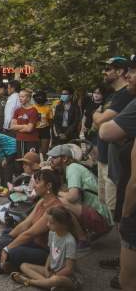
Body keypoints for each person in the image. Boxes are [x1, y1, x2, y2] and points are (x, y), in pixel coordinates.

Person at [99, 55, 136, 290]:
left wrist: (127, 210)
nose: (128, 76)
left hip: (130, 189)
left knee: (127, 280)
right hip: (115, 166)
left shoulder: (128, 99)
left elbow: (104, 128)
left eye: (133, 71)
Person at [0, 169, 63, 273]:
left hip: (47, 252)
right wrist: (7, 239)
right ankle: (11, 263)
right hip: (34, 243)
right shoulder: (42, 201)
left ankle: (15, 265)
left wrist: (7, 248)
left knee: (14, 252)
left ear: (49, 186)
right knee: (7, 234)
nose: (34, 186)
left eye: (37, 183)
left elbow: (31, 233)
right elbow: (26, 223)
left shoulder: (55, 207)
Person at [48, 144, 113, 240]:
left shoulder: (73, 168)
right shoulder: (71, 169)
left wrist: (56, 192)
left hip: (102, 217)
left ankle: (82, 239)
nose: (51, 161)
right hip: (100, 214)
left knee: (59, 202)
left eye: (54, 157)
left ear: (65, 158)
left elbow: (73, 196)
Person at [11, 206, 81, 290]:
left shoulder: (69, 241)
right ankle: (48, 285)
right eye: (48, 221)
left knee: (55, 280)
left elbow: (69, 269)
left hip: (68, 278)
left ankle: (29, 281)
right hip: (52, 272)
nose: (47, 224)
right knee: (24, 266)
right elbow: (51, 254)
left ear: (62, 224)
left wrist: (55, 275)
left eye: (51, 223)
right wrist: (46, 268)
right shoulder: (52, 233)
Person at [0, 152, 41, 223]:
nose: (23, 166)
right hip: (19, 204)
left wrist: (14, 191)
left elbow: (31, 196)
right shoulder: (24, 176)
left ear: (33, 165)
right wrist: (10, 193)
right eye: (23, 164)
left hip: (28, 208)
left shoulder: (38, 178)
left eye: (26, 164)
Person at [10, 89, 40, 156]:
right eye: (19, 97)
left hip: (31, 140)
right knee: (20, 161)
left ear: (28, 98)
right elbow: (12, 126)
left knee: (30, 161)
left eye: (23, 97)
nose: (20, 98)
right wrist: (25, 126)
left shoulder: (33, 110)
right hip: (19, 140)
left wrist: (18, 127)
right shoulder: (17, 110)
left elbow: (29, 129)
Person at [32, 90, 53, 158]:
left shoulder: (48, 108)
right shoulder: (32, 108)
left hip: (45, 130)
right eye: (38, 97)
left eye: (41, 97)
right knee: (35, 151)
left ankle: (44, 165)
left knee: (44, 151)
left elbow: (51, 121)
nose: (39, 99)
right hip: (34, 130)